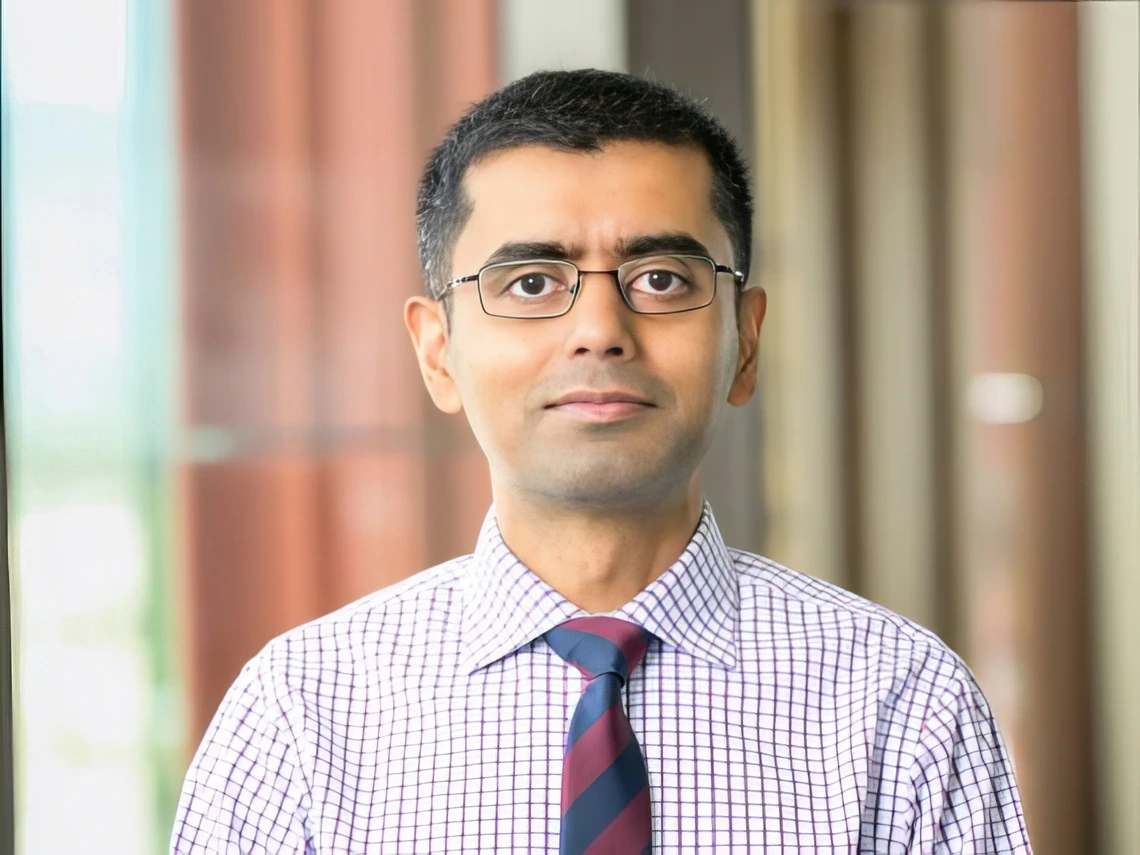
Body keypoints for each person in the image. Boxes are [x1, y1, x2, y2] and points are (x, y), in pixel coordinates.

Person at [171, 69, 1032, 854]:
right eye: (533, 282)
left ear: (746, 340)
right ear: (438, 352)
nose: (600, 331)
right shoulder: (301, 713)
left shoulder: (902, 702)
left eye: (660, 277)